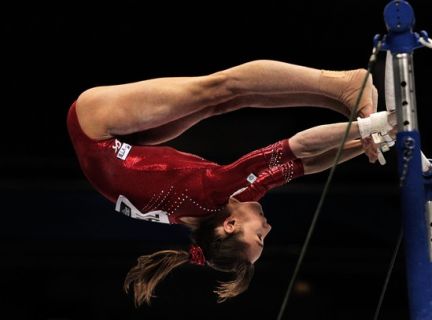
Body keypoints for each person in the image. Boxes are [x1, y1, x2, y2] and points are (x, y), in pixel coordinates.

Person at [67, 59, 394, 306]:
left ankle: (344, 84)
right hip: (122, 148)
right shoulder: (233, 201)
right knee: (224, 103)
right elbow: (305, 165)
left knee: (220, 88)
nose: (267, 230)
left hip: (95, 127)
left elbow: (298, 146)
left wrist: (372, 127)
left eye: (259, 238)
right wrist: (368, 141)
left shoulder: (209, 193)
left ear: (230, 225)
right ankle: (342, 101)